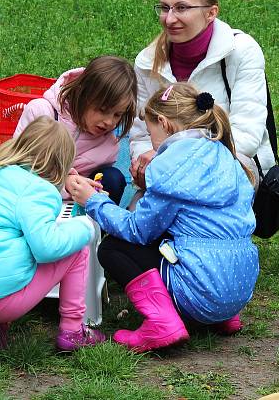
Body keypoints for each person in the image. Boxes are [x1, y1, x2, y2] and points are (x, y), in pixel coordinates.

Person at [67, 83, 259, 353]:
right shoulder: (224, 156)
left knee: (113, 249)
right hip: (237, 288)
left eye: (149, 132)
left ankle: (162, 321)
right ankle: (222, 316)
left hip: (200, 292)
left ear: (164, 123)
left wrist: (94, 201)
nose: (151, 142)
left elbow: (137, 230)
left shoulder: (171, 166)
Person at [0, 116, 106, 354]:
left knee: (6, 245)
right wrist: (83, 226)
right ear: (59, 164)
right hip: (2, 300)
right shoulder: (38, 190)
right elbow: (46, 248)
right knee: (77, 249)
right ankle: (73, 331)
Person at [129, 0, 274, 191]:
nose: (169, 19)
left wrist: (175, 164)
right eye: (164, 8)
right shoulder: (147, 62)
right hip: (164, 173)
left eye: (182, 8)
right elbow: (140, 136)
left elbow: (245, 137)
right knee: (137, 216)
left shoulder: (241, 51)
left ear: (211, 13)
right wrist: (144, 166)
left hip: (230, 168)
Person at [14, 55, 137, 205]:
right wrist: (64, 181)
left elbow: (95, 183)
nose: (109, 122)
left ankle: (100, 226)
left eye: (118, 114)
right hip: (33, 196)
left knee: (113, 178)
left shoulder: (108, 145)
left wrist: (93, 191)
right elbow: (19, 166)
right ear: (83, 94)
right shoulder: (42, 113)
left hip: (75, 202)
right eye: (102, 110)